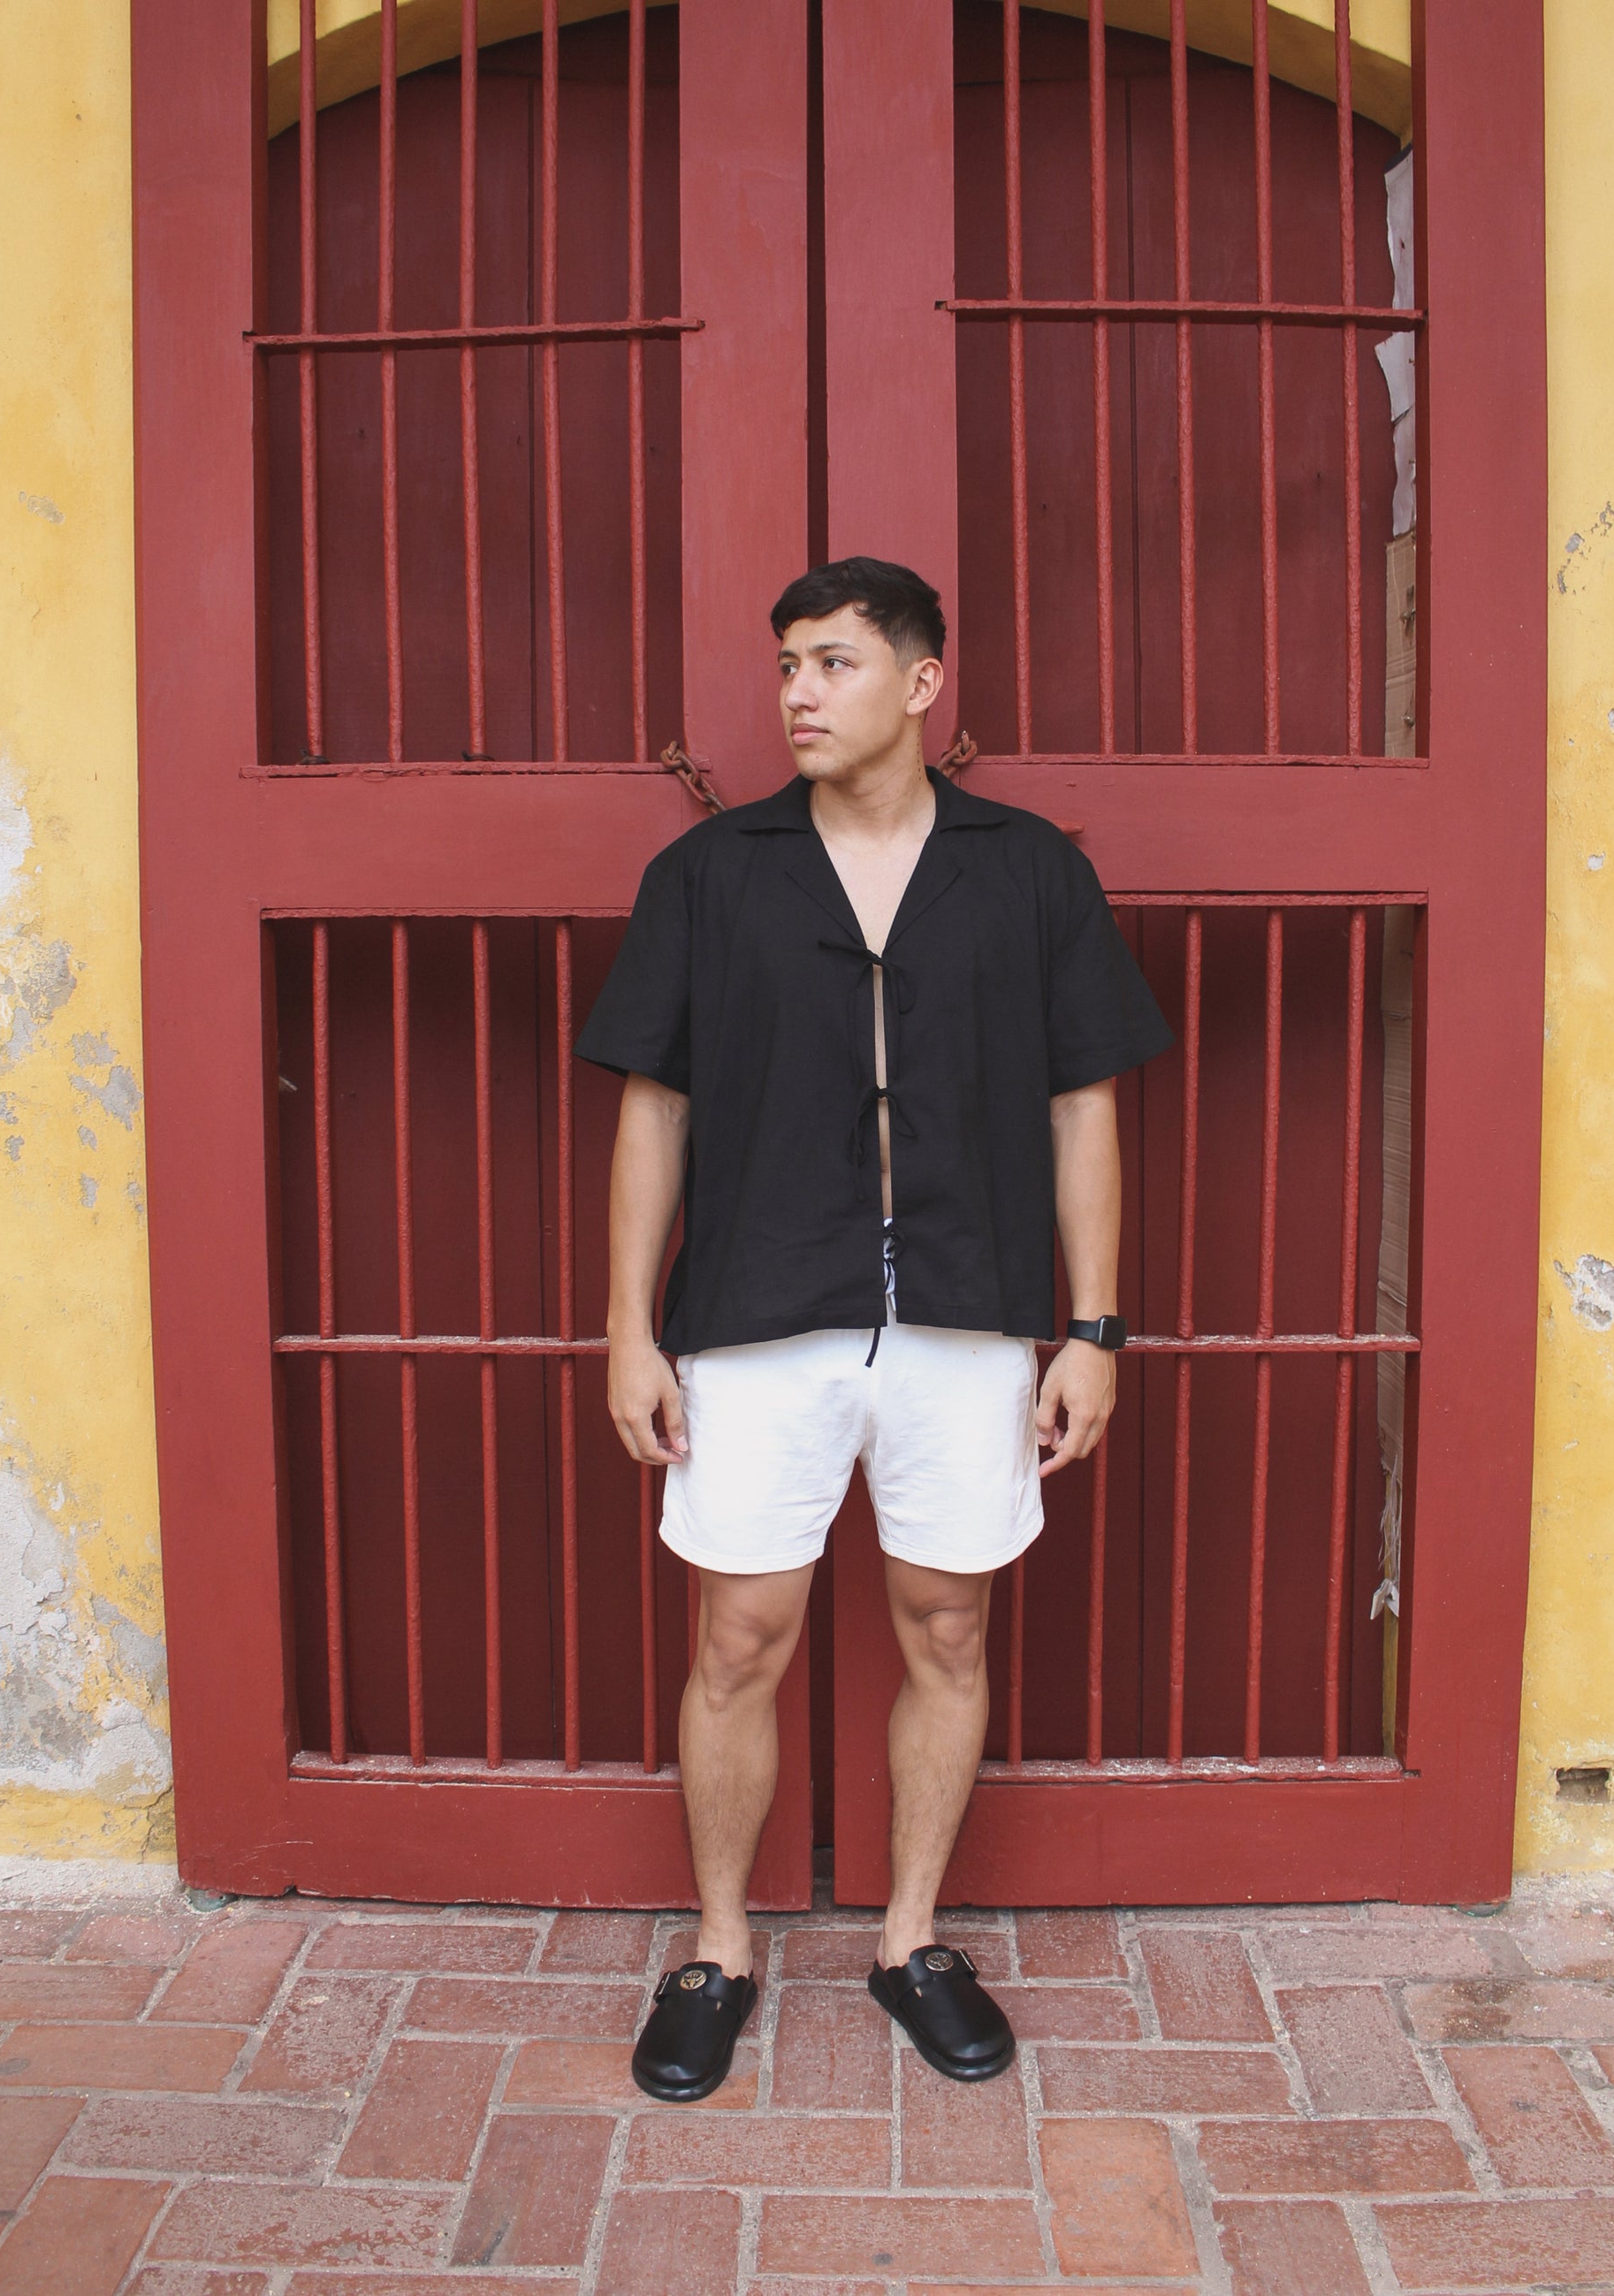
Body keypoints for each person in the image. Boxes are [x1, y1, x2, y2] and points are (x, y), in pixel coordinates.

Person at [575, 556, 1171, 2101]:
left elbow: (1083, 1108)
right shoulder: (710, 874)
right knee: (738, 1637)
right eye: (786, 664)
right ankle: (719, 1946)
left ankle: (910, 1938)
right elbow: (654, 1110)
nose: (797, 692)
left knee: (947, 1625)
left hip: (968, 1308)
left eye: (832, 662)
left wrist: (1093, 1327)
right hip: (760, 1308)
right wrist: (629, 1328)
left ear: (920, 682)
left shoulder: (1028, 872)